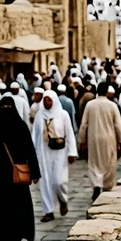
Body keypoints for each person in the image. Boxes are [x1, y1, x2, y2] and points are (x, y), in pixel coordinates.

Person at [0, 96, 41, 241]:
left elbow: (29, 150)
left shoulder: (2, 127)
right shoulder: (8, 127)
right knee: (4, 208)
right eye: (4, 107)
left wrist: (35, 172)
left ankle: (12, 238)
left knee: (12, 208)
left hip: (8, 177)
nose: (6, 110)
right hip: (1, 176)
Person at [31, 89, 77, 222]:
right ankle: (48, 211)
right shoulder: (39, 115)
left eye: (49, 100)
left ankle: (63, 200)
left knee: (58, 181)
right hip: (43, 152)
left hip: (60, 153)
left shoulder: (63, 115)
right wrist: (32, 154)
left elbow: (69, 134)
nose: (47, 102)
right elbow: (35, 135)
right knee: (45, 182)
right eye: (45, 100)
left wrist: (72, 152)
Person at [78, 84, 121, 200]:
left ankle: (97, 185)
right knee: (109, 162)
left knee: (94, 162)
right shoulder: (112, 105)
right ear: (107, 91)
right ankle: (106, 185)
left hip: (93, 138)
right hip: (109, 137)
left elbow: (84, 124)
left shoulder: (90, 105)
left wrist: (81, 140)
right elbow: (118, 125)